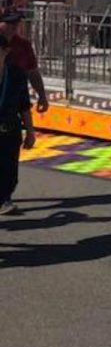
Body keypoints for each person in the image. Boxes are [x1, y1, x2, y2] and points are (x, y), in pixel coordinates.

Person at [0, 34, 36, 215]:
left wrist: (30, 131)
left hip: (10, 129)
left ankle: (5, 199)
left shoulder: (15, 74)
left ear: (6, 52)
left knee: (10, 171)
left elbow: (24, 105)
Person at [0, 11, 48, 114]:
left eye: (16, 23)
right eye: (9, 23)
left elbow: (33, 72)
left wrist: (42, 96)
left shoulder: (23, 45)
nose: (13, 26)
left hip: (12, 101)